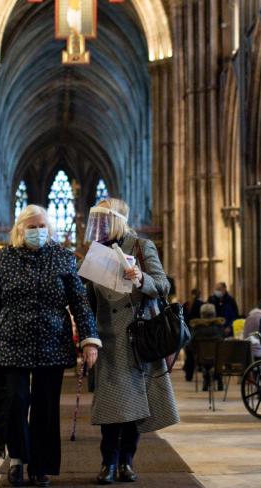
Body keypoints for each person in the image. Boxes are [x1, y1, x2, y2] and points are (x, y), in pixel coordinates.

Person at [0, 204, 100, 488]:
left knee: (46, 406)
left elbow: (79, 300)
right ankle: (17, 459)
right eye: (32, 227)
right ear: (20, 230)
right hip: (12, 340)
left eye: (42, 226)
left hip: (52, 340)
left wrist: (90, 340)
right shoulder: (5, 258)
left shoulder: (64, 258)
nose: (38, 231)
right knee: (16, 401)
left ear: (50, 229)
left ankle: (41, 465)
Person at [82, 199, 179, 485]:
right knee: (112, 408)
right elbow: (88, 299)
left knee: (134, 406)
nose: (98, 226)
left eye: (102, 220)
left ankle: (126, 461)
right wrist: (87, 336)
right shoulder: (96, 251)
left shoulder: (141, 245)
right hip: (108, 339)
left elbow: (163, 286)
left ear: (116, 220)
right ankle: (108, 463)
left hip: (137, 337)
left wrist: (140, 278)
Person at [189, 303, 225, 391]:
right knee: (218, 355)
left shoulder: (197, 328)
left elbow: (191, 343)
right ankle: (219, 380)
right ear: (214, 314)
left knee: (206, 357)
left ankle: (206, 379)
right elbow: (222, 341)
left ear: (201, 314)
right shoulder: (218, 327)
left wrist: (195, 352)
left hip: (202, 357)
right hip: (217, 357)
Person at [182, 288, 205, 380]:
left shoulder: (187, 304)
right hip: (198, 331)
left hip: (187, 330)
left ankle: (188, 375)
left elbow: (183, 318)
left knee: (189, 353)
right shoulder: (201, 305)